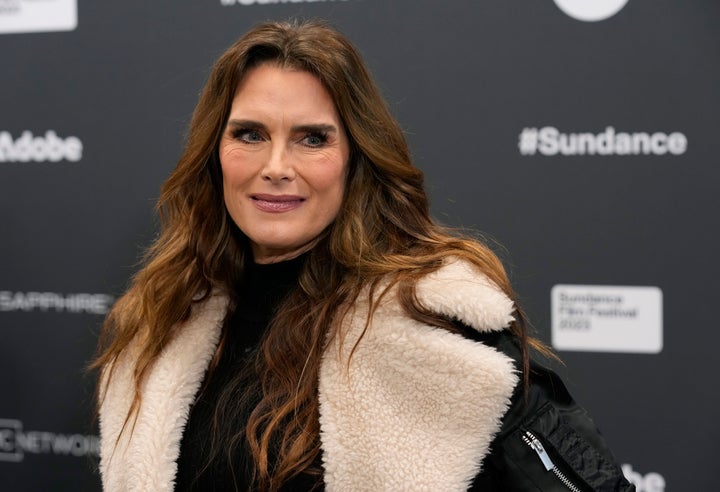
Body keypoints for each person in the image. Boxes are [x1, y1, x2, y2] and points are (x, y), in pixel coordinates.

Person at [94, 20, 633, 492]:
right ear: (214, 153)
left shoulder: (434, 325)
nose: (276, 165)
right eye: (250, 134)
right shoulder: (164, 319)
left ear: (356, 159)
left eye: (312, 139)